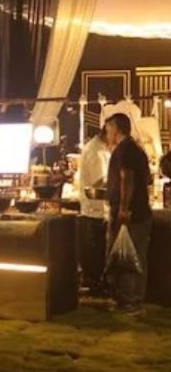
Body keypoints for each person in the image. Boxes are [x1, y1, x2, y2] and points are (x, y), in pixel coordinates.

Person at [104, 110, 153, 313]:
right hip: (138, 212)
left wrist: (123, 209)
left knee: (129, 257)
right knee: (132, 255)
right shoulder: (136, 149)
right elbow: (147, 180)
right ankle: (128, 298)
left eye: (108, 130)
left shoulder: (125, 150)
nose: (107, 135)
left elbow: (127, 178)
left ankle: (130, 300)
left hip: (132, 214)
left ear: (116, 129)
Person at [77, 115, 111, 295]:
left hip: (98, 209)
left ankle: (95, 283)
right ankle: (94, 285)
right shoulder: (96, 151)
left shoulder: (101, 148)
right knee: (95, 252)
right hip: (94, 210)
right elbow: (100, 180)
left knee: (97, 251)